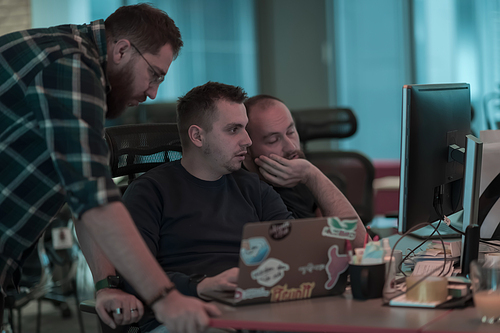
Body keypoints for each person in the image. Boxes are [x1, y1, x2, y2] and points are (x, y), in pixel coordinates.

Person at [0, 4, 219, 332]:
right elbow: (95, 202)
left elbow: (83, 195)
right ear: (121, 50)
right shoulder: (71, 66)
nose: (153, 92)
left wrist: (106, 285)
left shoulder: (69, 62)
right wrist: (165, 298)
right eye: (154, 75)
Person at [121, 82, 294, 332]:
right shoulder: (150, 192)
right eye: (233, 129)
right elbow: (133, 275)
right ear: (197, 136)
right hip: (181, 315)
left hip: (253, 311)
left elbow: (295, 246)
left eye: (244, 128)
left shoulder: (252, 188)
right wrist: (200, 286)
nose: (247, 140)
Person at [243, 95, 368, 249]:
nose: (291, 147)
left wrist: (312, 175)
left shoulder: (299, 172)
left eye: (291, 132)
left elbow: (357, 243)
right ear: (247, 149)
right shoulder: (245, 194)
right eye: (273, 140)